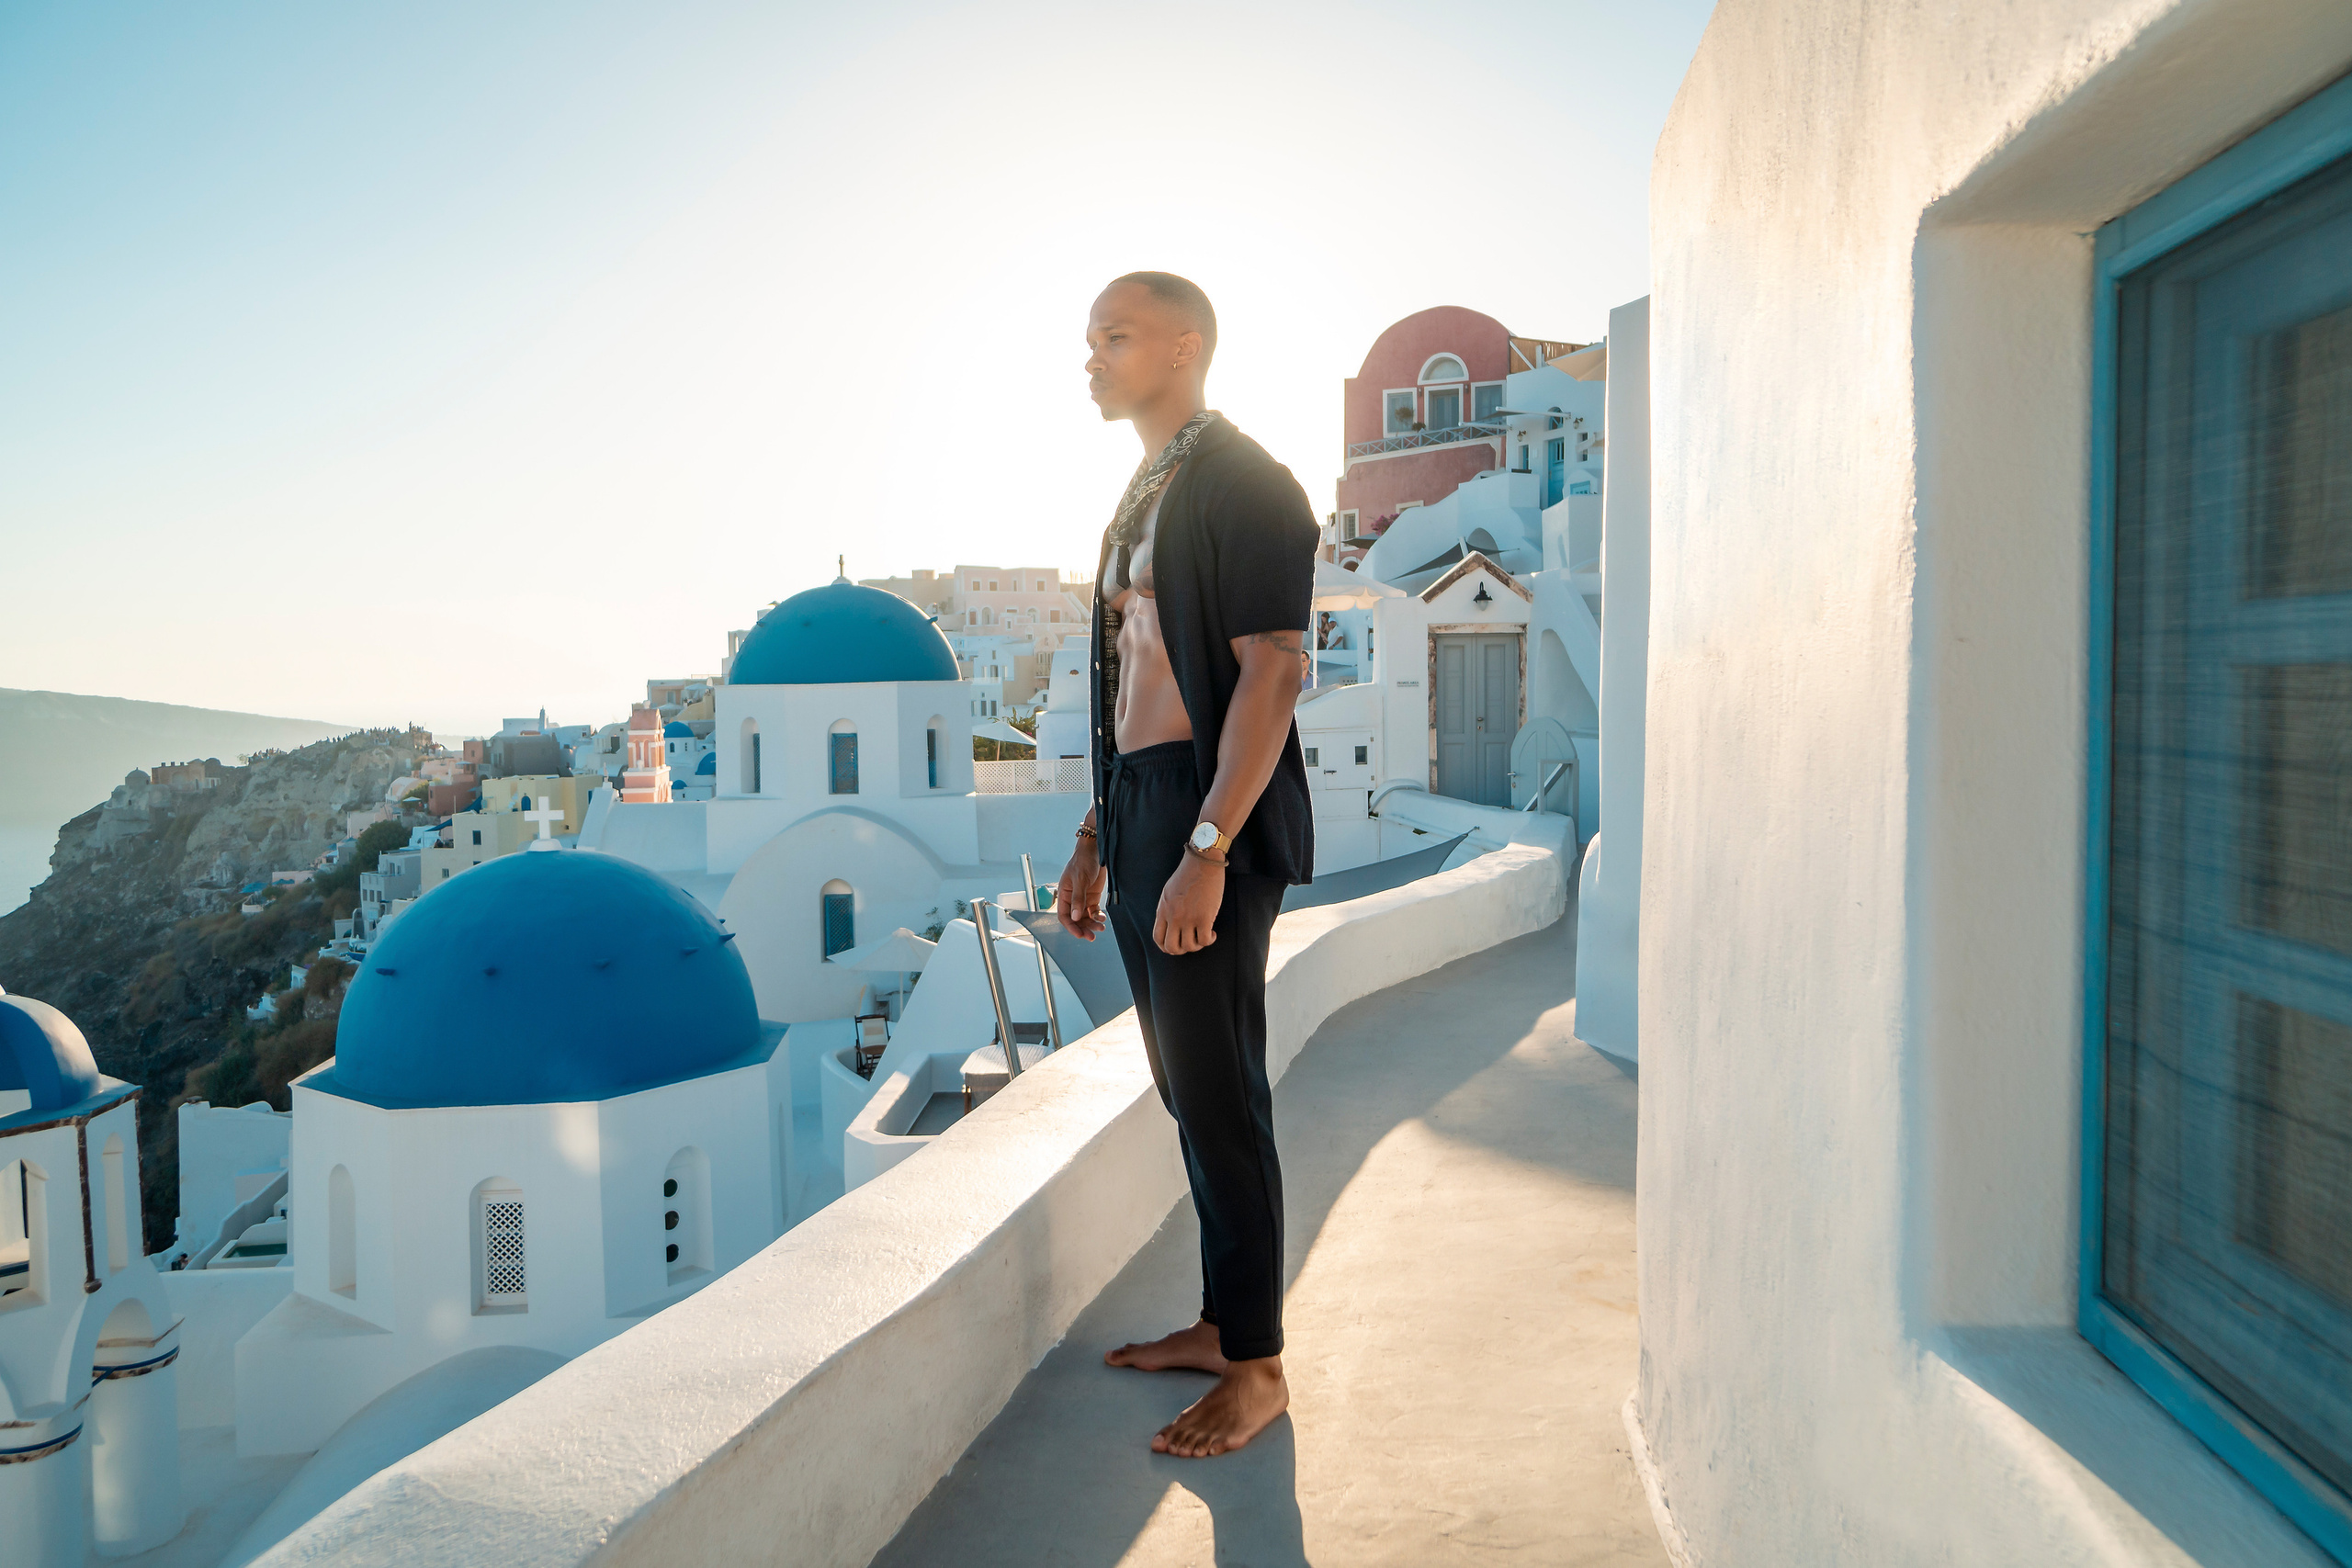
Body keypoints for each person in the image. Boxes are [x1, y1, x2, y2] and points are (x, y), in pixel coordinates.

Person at [1055, 271, 1317, 1459]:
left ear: (1184, 345)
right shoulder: (1145, 491)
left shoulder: (1246, 485)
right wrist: (1097, 837)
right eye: (1090, 339)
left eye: (1115, 338)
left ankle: (1256, 1369)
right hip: (1144, 811)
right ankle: (1225, 1322)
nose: (1093, 358)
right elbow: (1129, 681)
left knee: (1221, 1094)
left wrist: (1206, 851)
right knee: (1185, 1089)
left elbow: (1272, 671)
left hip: (1209, 817)